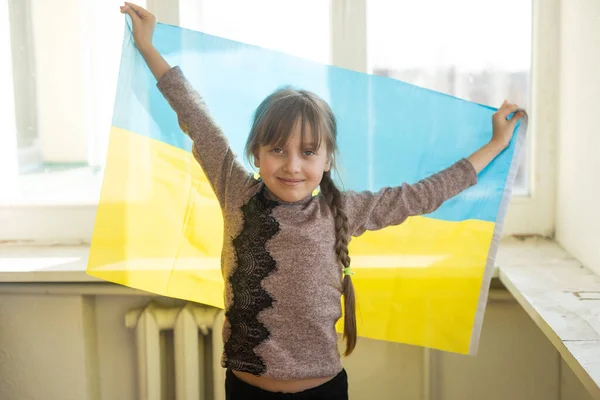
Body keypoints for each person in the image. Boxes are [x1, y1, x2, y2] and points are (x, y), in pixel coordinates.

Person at [120, 3, 525, 399]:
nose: (293, 165)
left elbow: (424, 194)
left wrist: (495, 144)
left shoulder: (342, 211)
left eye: (308, 152)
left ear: (327, 159)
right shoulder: (235, 191)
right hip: (244, 390)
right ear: (255, 154)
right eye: (278, 149)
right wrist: (148, 47)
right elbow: (194, 113)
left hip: (324, 392)